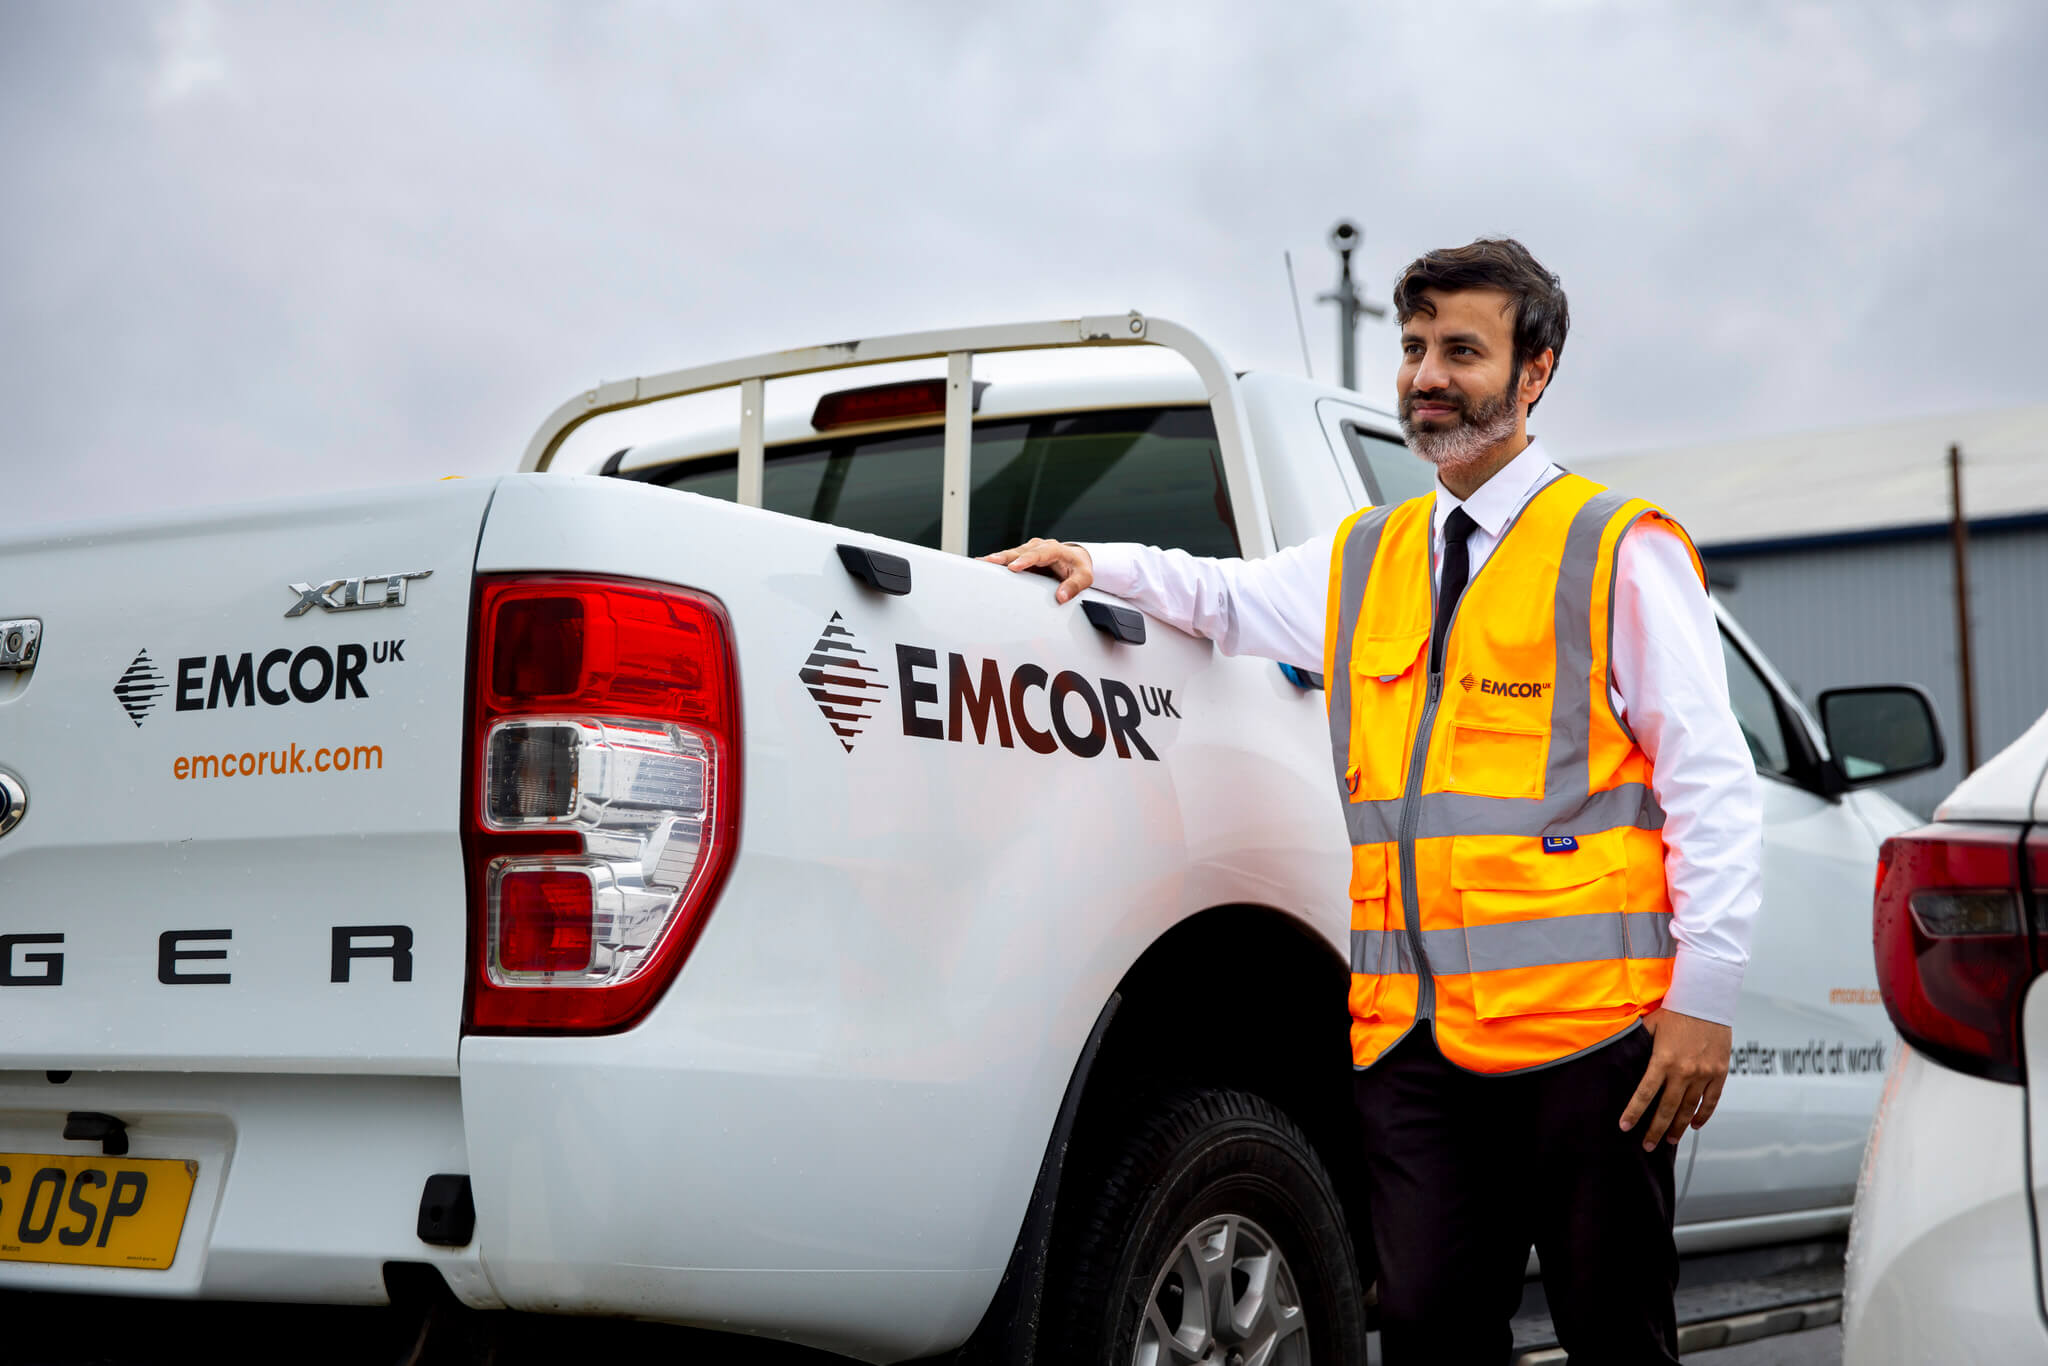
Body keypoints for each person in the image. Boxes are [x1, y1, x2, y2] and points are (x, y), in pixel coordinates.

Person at [985, 238, 1761, 1365]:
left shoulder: (1612, 550)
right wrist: (1092, 562)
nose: (1424, 375)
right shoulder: (1367, 554)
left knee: (1613, 1338)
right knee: (1432, 1331)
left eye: (1460, 349)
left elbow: (1707, 774)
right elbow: (1223, 598)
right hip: (1411, 1044)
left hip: (1588, 1037)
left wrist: (1705, 994)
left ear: (1533, 372)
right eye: (1411, 349)